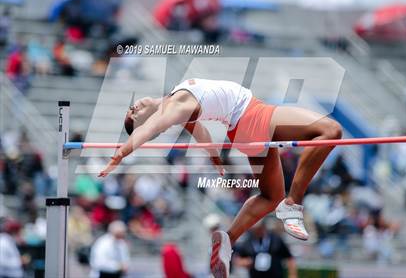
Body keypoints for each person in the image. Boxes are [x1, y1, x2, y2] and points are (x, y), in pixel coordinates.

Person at [99, 78, 342, 277]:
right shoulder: (171, 109)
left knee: (271, 196)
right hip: (253, 116)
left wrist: (215, 157)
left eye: (130, 110)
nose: (133, 107)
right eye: (135, 114)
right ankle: (293, 204)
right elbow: (147, 131)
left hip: (244, 128)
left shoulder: (175, 102)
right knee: (330, 130)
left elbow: (200, 131)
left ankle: (228, 241)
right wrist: (118, 156)